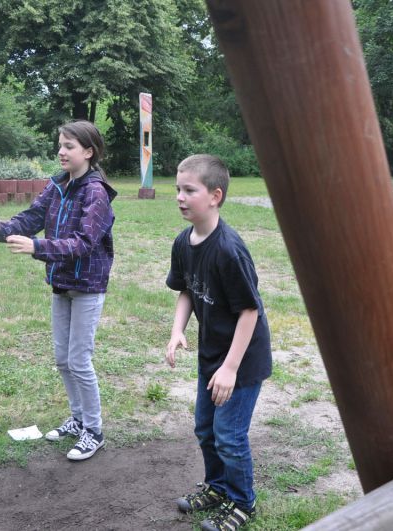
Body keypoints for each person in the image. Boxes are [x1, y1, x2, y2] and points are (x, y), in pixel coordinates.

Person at [0, 120, 116, 461]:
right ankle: (78, 420)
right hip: (61, 284)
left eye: (69, 146)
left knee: (79, 360)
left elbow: (83, 243)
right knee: (63, 360)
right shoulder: (57, 185)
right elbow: (29, 219)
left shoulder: (95, 193)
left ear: (88, 152)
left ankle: (94, 431)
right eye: (60, 145)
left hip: (87, 286)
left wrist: (37, 247)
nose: (61, 151)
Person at [165, 154, 272, 530]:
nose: (180, 197)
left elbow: (249, 312)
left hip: (241, 362)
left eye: (189, 190)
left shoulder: (229, 250)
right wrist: (177, 330)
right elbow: (186, 290)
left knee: (229, 435)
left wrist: (230, 368)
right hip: (212, 356)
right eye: (178, 189)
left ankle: (243, 502)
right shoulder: (184, 242)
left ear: (215, 196)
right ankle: (218, 486)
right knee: (206, 429)